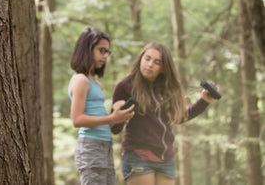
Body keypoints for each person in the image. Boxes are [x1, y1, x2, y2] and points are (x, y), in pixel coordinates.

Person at [111, 42, 218, 185]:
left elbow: (178, 117)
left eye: (157, 62)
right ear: (140, 58)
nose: (150, 65)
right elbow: (115, 129)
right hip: (138, 155)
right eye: (147, 59)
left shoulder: (167, 88)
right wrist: (116, 115)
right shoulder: (125, 86)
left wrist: (204, 101)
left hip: (165, 158)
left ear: (163, 68)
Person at [68, 27, 135, 185]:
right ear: (87, 48)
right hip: (91, 146)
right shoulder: (80, 80)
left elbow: (102, 118)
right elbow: (77, 119)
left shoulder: (96, 84)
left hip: (105, 145)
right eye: (101, 50)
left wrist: (119, 115)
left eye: (107, 52)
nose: (105, 56)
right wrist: (111, 117)